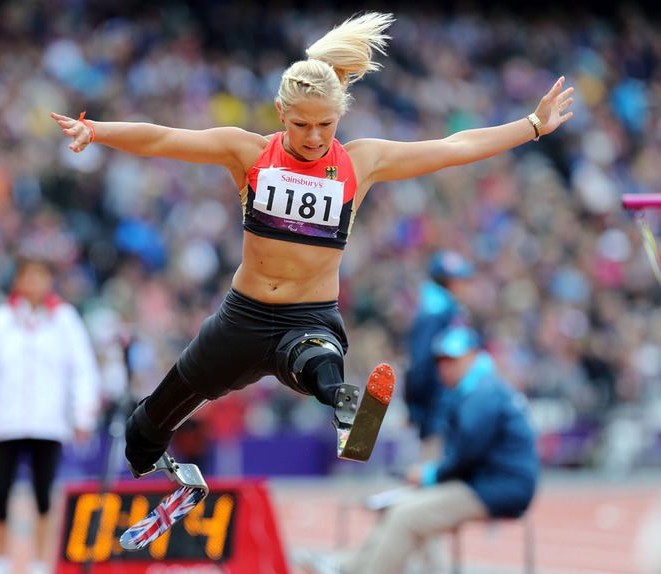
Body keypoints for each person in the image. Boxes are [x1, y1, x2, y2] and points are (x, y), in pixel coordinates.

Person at [51, 11, 573, 480]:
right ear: (281, 112)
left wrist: (530, 125)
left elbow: (452, 147)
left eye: (326, 124)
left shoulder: (360, 162)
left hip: (310, 314)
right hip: (242, 318)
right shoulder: (249, 153)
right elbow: (164, 138)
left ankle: (347, 408)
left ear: (340, 115)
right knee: (153, 418)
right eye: (301, 124)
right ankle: (152, 459)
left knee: (318, 361)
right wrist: (95, 131)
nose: (315, 136)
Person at [302, 325, 539, 574]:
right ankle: (349, 567)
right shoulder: (476, 389)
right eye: (442, 361)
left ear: (474, 356)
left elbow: (467, 454)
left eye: (453, 360)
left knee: (405, 517)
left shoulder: (483, 393)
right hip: (484, 482)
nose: (445, 368)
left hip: (497, 489)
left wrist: (430, 476)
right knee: (398, 509)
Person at [0, 256, 101, 574]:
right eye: (29, 276)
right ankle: (0, 559)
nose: (35, 284)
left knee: (43, 494)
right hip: (5, 421)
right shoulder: (0, 320)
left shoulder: (65, 320)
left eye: (41, 276)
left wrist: (82, 417)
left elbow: (82, 370)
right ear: (18, 281)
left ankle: (40, 560)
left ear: (50, 281)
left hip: (47, 421)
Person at [405, 250, 475, 462]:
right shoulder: (436, 313)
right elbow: (421, 366)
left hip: (442, 411)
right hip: (437, 413)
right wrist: (417, 408)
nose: (466, 286)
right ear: (448, 283)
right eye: (460, 280)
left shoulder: (443, 310)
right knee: (433, 473)